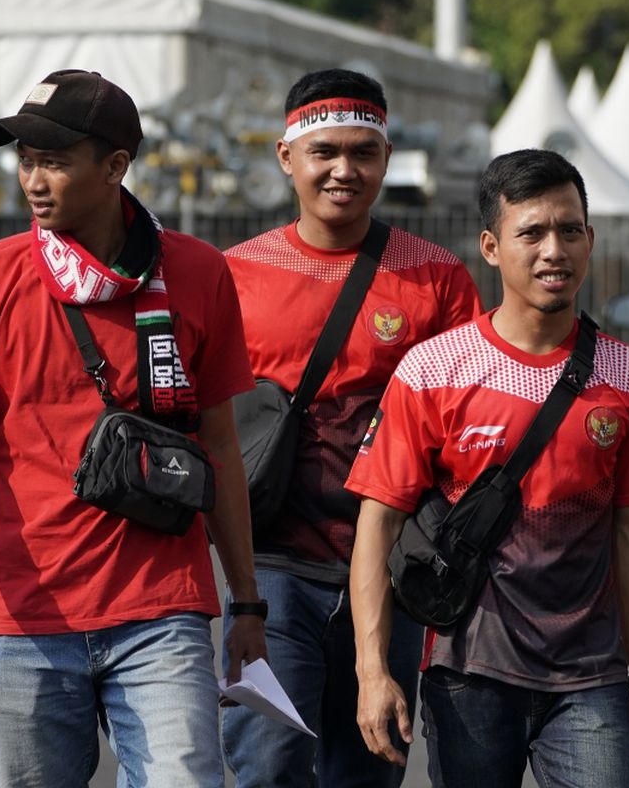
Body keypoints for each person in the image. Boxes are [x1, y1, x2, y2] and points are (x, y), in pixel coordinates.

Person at [0, 69, 265, 788]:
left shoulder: (197, 271)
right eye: (26, 159)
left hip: (164, 612)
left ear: (115, 167)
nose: (34, 179)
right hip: (25, 617)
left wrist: (246, 600)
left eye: (56, 160)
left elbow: (221, 443)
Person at [345, 149, 629, 788]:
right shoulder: (432, 369)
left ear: (590, 239)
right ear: (492, 247)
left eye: (570, 230)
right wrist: (372, 671)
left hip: (593, 681)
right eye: (532, 233)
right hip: (469, 675)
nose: (554, 250)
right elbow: (377, 525)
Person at [219, 68, 482, 787]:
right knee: (266, 768)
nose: (344, 170)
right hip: (271, 572)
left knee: (368, 771)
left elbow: (465, 425)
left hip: (394, 572)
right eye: (325, 151)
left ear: (387, 159)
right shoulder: (234, 275)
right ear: (286, 157)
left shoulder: (437, 277)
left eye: (364, 152)